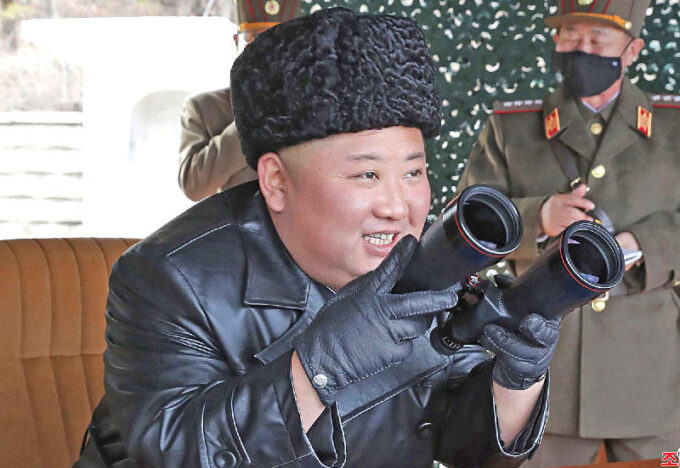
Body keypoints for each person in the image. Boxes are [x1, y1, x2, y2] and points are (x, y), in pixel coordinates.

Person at [74, 8, 560, 467]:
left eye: (413, 173)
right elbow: (176, 454)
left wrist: (515, 381)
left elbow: (461, 444)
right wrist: (320, 367)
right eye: (367, 175)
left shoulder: (425, 267)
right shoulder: (168, 278)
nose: (398, 206)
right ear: (276, 181)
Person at [458, 0, 680, 465]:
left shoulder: (673, 126)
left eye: (598, 39)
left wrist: (644, 245)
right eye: (570, 36)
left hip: (649, 365)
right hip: (538, 364)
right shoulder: (511, 128)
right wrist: (538, 217)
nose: (582, 49)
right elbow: (465, 223)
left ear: (633, 49)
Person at [178, 0, 302, 201]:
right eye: (256, 38)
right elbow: (193, 186)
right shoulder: (205, 107)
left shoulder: (314, 105)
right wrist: (250, 117)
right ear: (237, 42)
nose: (268, 51)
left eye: (281, 40)